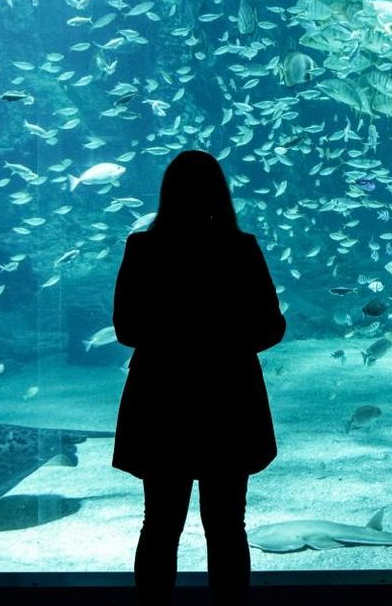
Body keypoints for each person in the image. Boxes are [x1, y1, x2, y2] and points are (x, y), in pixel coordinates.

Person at [112, 150, 285, 606]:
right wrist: (223, 343)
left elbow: (126, 329)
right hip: (228, 398)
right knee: (228, 524)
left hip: (161, 398)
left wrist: (173, 341)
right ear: (219, 194)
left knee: (159, 524)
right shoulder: (239, 248)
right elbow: (272, 328)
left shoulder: (142, 248)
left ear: (166, 194)